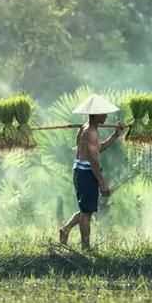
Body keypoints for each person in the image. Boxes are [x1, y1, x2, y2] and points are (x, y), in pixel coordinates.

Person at [59, 94, 125, 250]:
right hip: (86, 173)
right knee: (87, 213)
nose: (106, 116)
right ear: (96, 115)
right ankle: (86, 247)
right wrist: (102, 183)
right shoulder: (91, 132)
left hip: (81, 171)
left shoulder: (86, 128)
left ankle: (65, 229)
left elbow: (97, 149)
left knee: (86, 209)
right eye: (104, 113)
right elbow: (93, 161)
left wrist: (115, 135)